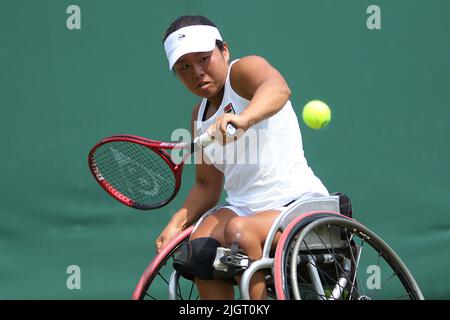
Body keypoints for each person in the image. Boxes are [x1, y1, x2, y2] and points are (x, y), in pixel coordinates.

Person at [155, 15, 329, 300]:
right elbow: (207, 186)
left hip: (297, 202)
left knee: (238, 232)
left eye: (203, 58)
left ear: (224, 50)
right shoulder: (198, 117)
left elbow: (278, 88)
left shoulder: (244, 71)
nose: (197, 72)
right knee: (198, 249)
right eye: (184, 67)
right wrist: (178, 221)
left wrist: (245, 119)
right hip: (244, 208)